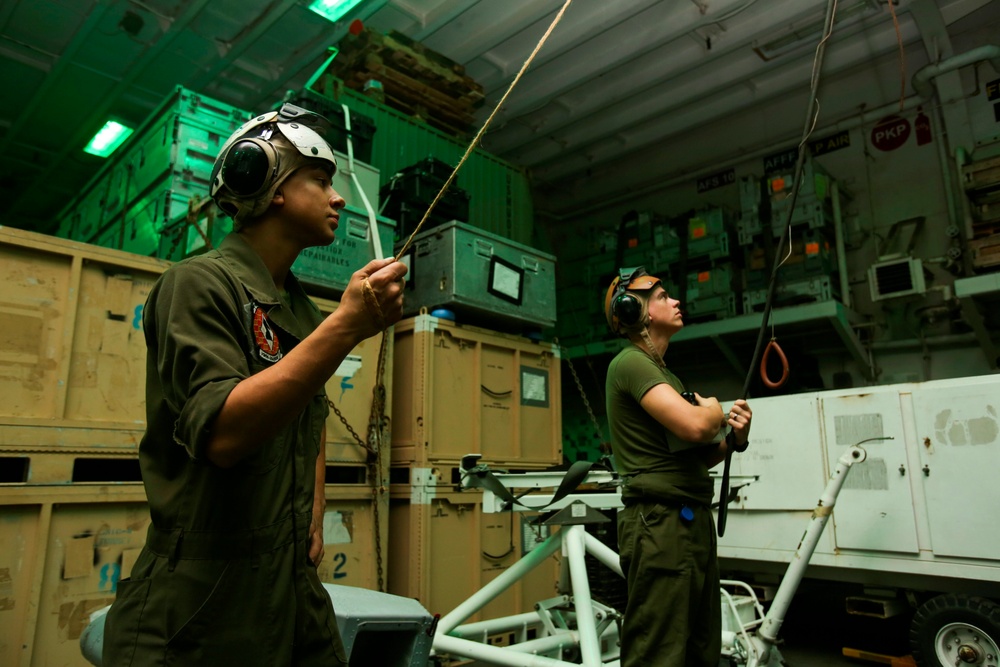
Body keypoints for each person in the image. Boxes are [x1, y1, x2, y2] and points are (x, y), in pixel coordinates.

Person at [102, 103, 407, 666]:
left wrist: (314, 516)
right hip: (201, 598)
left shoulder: (296, 307)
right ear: (268, 184)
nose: (338, 197)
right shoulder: (196, 283)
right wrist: (346, 327)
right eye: (320, 180)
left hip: (290, 583)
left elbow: (307, 417)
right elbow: (223, 433)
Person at [603, 266, 751, 667]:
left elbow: (698, 456)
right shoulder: (630, 363)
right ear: (636, 310)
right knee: (659, 653)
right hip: (660, 525)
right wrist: (714, 412)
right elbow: (694, 425)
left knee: (699, 650)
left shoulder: (665, 374)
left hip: (686, 521)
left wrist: (733, 439)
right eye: (664, 296)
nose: (676, 301)